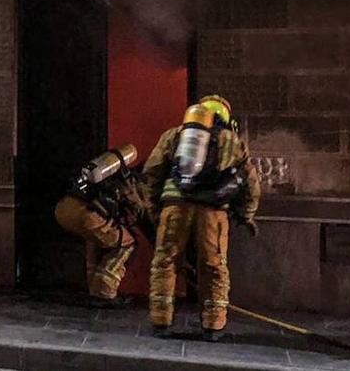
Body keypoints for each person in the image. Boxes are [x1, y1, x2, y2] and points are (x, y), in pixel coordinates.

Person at [143, 94, 260, 342]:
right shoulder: (232, 141)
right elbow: (250, 182)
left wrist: (154, 208)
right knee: (213, 265)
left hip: (175, 207)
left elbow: (153, 172)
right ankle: (213, 325)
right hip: (213, 213)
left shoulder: (175, 135)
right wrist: (247, 214)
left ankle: (161, 321)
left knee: (165, 262)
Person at [54, 145, 155, 307]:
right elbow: (141, 213)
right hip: (86, 214)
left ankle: (94, 291)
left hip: (64, 208)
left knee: (98, 239)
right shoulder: (137, 184)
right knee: (128, 243)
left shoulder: (114, 174)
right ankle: (105, 293)